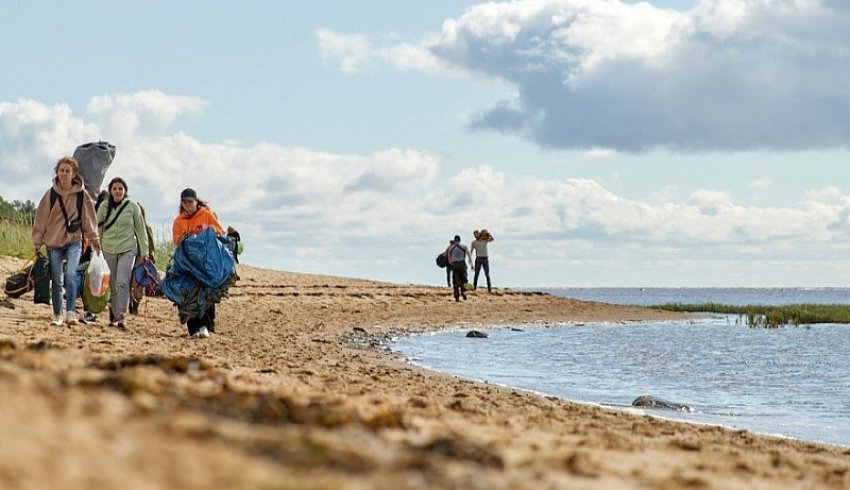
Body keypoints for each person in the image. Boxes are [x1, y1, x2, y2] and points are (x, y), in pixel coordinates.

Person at [31, 156, 101, 326]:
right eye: (61, 170)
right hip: (54, 241)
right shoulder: (50, 194)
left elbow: (88, 218)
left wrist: (94, 238)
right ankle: (57, 314)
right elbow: (41, 219)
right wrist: (37, 241)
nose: (64, 174)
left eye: (67, 171)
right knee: (56, 278)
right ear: (57, 172)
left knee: (70, 275)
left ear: (74, 173)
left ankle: (70, 312)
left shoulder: (81, 195)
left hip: (74, 240)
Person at [97, 177, 150, 329]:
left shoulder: (132, 207)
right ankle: (113, 314)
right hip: (108, 248)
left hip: (127, 248)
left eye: (120, 188)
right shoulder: (104, 207)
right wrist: (97, 247)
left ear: (125, 191)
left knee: (122, 281)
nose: (118, 191)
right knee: (112, 283)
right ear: (110, 190)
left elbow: (140, 230)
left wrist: (144, 251)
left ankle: (121, 315)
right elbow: (98, 227)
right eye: (115, 189)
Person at [172, 188, 225, 338]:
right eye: (184, 202)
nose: (187, 205)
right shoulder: (178, 221)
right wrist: (182, 238)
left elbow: (220, 232)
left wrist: (208, 231)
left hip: (206, 262)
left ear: (196, 202)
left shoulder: (206, 215)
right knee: (189, 293)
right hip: (187, 263)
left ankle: (207, 326)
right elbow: (175, 240)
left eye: (190, 202)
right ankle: (194, 328)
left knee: (205, 292)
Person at [445, 234, 473, 302]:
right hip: (462, 264)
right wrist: (471, 264)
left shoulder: (450, 248)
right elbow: (469, 255)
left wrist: (452, 263)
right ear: (460, 240)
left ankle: (457, 297)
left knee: (455, 281)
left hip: (454, 264)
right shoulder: (464, 247)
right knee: (464, 280)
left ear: (454, 241)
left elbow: (449, 258)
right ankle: (463, 292)